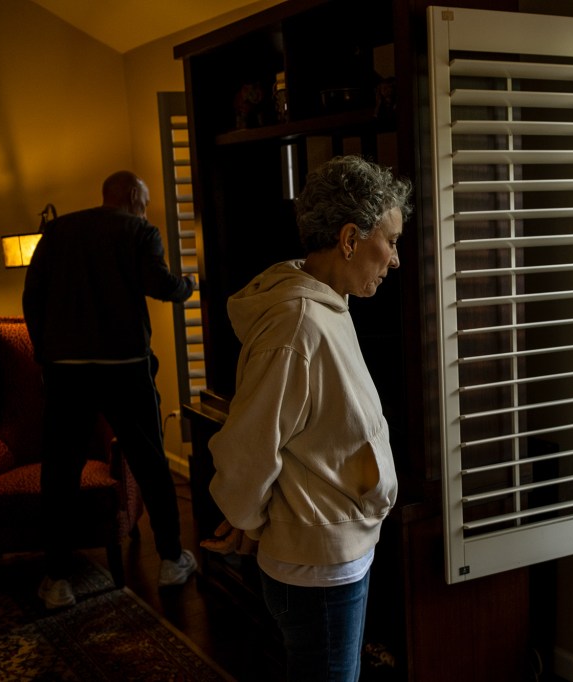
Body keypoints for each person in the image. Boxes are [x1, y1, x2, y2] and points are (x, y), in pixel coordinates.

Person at [201, 155, 411, 682]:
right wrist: (247, 520)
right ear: (348, 239)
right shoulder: (297, 326)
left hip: (331, 553)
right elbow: (250, 447)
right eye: (390, 241)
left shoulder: (326, 306)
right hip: (317, 569)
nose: (395, 259)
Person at [22, 170, 198, 609]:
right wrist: (189, 286)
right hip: (125, 367)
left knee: (60, 471)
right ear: (134, 198)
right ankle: (173, 559)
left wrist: (45, 353)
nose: (147, 209)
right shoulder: (139, 230)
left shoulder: (58, 229)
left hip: (66, 370)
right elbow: (158, 284)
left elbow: (32, 296)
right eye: (146, 201)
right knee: (152, 462)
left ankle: (58, 579)